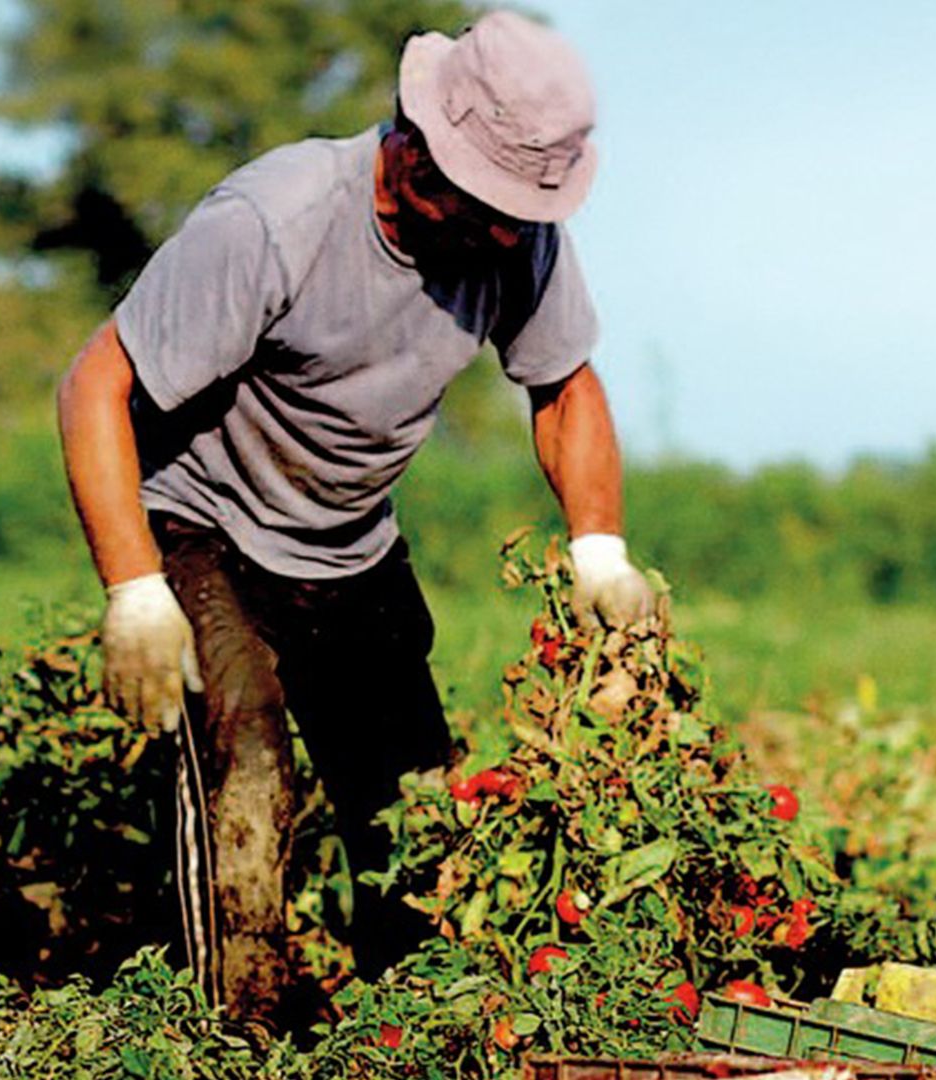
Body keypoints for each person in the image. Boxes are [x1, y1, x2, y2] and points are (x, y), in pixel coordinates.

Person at [55, 10, 653, 1028]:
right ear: (416, 155)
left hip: (347, 543)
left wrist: (600, 550)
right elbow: (93, 385)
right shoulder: (275, 221)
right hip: (203, 524)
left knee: (418, 810)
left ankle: (410, 1025)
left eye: (522, 213)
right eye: (489, 208)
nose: (507, 236)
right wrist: (134, 590)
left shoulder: (519, 239)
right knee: (245, 768)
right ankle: (237, 1029)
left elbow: (564, 387)